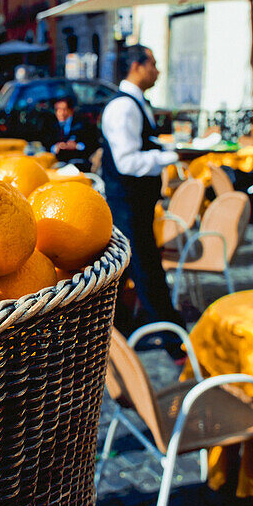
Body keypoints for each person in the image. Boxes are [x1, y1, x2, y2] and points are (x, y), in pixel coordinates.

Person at [99, 45, 184, 334]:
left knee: (130, 271)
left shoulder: (135, 103)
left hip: (137, 205)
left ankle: (116, 329)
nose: (157, 70)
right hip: (128, 204)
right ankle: (174, 339)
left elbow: (142, 145)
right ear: (137, 66)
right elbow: (127, 162)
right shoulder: (123, 106)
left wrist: (166, 148)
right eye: (154, 63)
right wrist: (171, 157)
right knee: (147, 271)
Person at [41, 94, 98, 168]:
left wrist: (76, 146)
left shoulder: (82, 124)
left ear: (71, 111)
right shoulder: (51, 125)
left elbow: (91, 144)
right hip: (58, 163)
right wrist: (56, 147)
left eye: (63, 110)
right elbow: (47, 144)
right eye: (57, 110)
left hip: (79, 162)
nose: (60, 113)